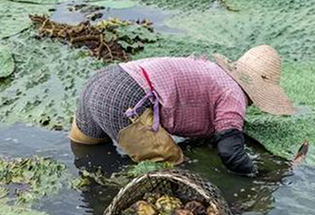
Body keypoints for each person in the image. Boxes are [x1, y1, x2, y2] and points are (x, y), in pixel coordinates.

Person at [68, 45, 295, 177]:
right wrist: (256, 175)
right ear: (257, 92)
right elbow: (230, 153)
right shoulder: (233, 94)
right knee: (171, 170)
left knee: (85, 152)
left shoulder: (212, 72)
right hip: (125, 100)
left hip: (102, 80)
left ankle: (94, 195)